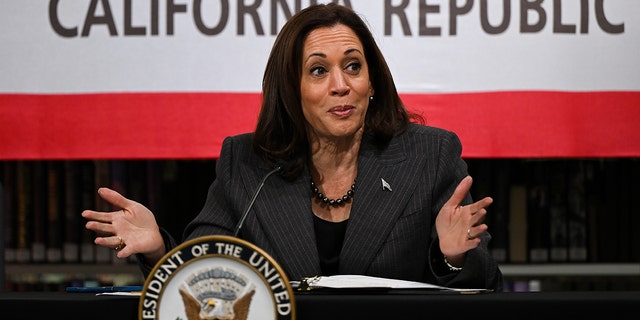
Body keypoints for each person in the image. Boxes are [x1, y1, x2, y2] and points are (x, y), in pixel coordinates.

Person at [82, 3, 503, 291]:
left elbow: (488, 284)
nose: (341, 85)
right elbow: (207, 274)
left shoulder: (429, 156)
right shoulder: (247, 164)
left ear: (372, 81)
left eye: (353, 66)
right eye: (318, 71)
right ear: (292, 89)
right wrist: (158, 249)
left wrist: (452, 259)